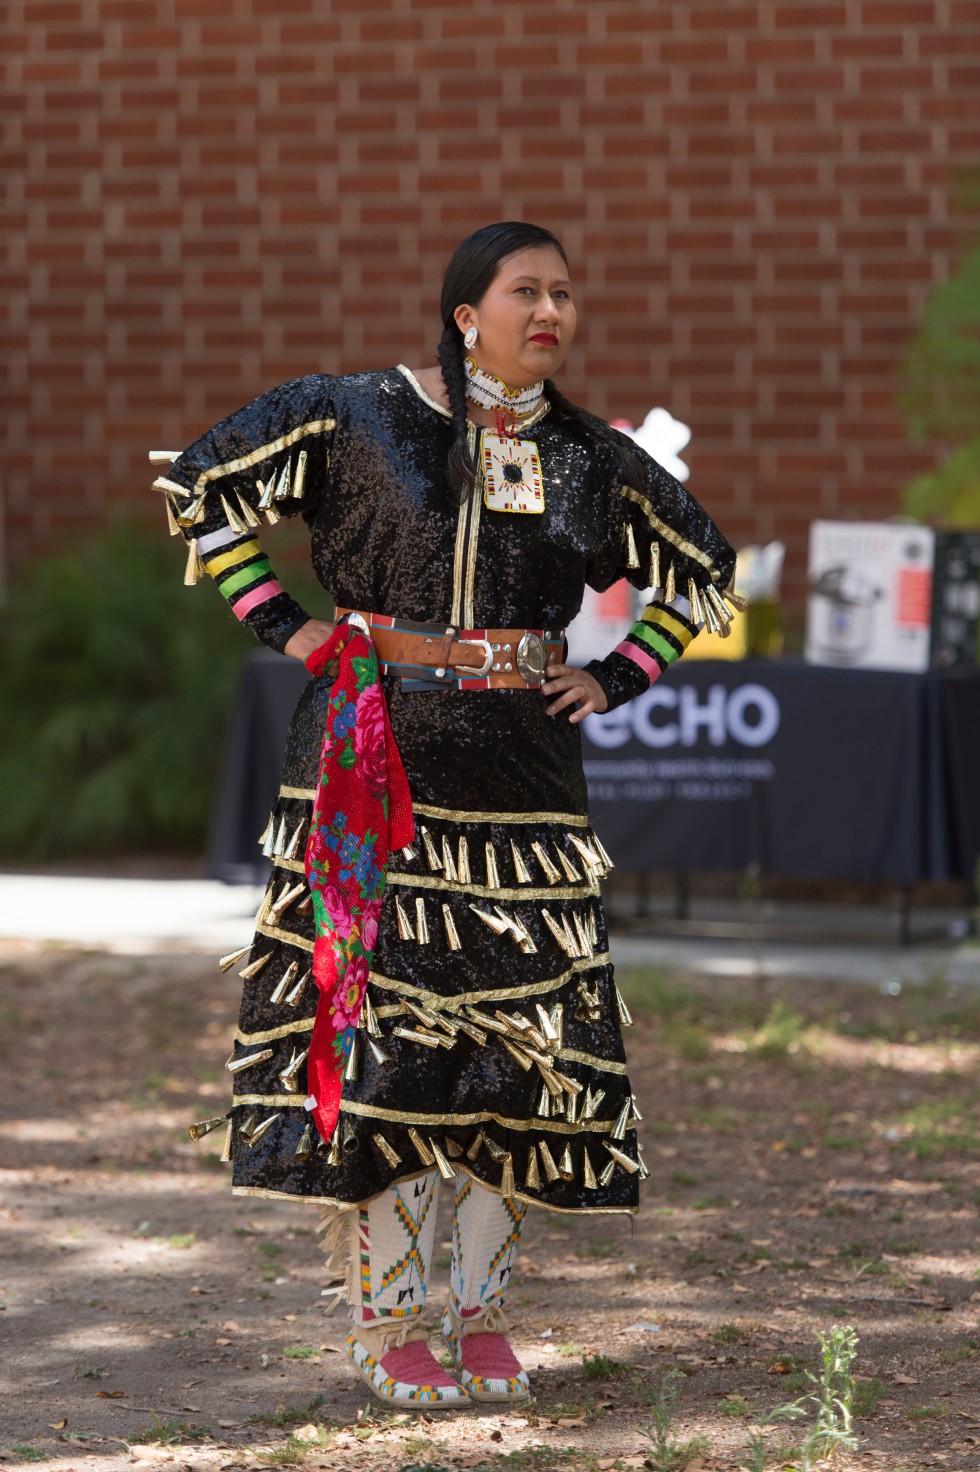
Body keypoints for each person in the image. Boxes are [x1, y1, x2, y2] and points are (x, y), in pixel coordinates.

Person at [163, 221, 737, 1411]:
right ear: (464, 313)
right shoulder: (353, 414)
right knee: (390, 1055)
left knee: (514, 1060)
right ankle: (385, 1326)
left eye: (565, 294)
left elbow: (697, 568)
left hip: (524, 786)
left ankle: (477, 1316)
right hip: (375, 769)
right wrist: (291, 626)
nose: (551, 311)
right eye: (525, 290)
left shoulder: (588, 454)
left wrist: (619, 674)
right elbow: (204, 490)